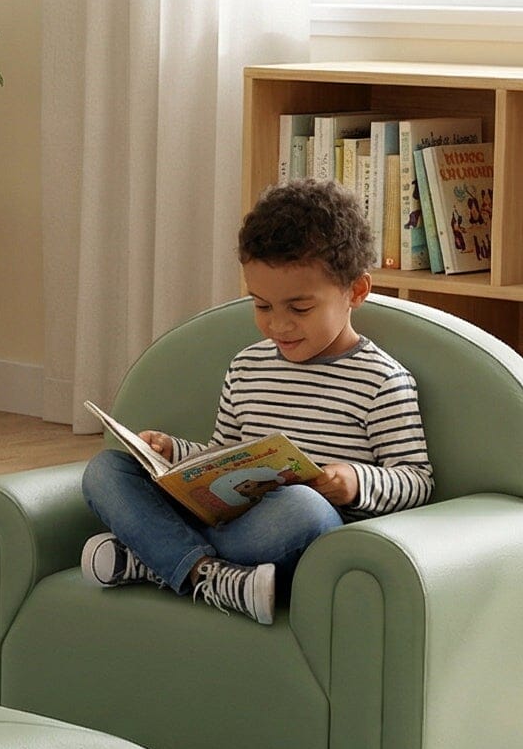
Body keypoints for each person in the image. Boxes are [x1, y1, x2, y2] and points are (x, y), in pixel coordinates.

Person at [79, 178, 433, 626]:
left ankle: (154, 562)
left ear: (356, 292)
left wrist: (356, 482)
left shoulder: (382, 380)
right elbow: (224, 456)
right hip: (226, 520)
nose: (278, 325)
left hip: (286, 530)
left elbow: (417, 480)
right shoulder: (248, 365)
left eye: (299, 309)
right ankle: (208, 575)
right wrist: (172, 453)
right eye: (262, 306)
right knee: (106, 470)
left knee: (302, 508)